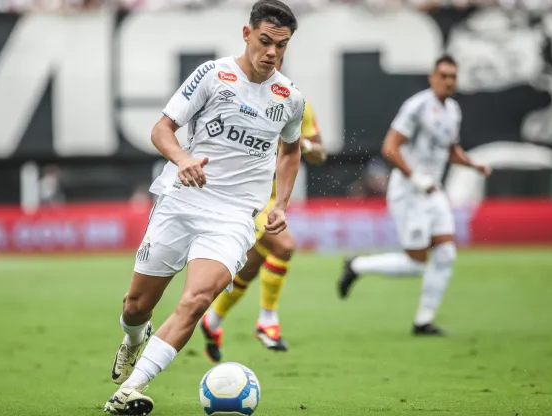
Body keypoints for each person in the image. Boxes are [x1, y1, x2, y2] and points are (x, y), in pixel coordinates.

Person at [103, 1, 304, 414]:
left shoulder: (289, 97)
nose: (271, 53)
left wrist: (281, 203)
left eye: (280, 47)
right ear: (247, 35)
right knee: (136, 306)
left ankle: (129, 391)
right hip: (182, 200)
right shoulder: (213, 76)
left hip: (232, 217)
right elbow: (162, 129)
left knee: (196, 300)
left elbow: (291, 149)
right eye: (265, 41)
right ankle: (134, 339)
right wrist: (183, 159)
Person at [338, 55, 491, 336]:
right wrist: (415, 176)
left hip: (433, 191)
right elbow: (390, 148)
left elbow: (450, 150)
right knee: (416, 264)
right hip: (408, 190)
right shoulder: (417, 106)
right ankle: (357, 265)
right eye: (443, 75)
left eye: (453, 76)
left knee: (445, 253)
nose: (448, 81)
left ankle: (424, 321)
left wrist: (472, 164)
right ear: (432, 77)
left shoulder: (453, 110)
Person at [200, 56, 326, 361]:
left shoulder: (296, 102)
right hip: (242, 195)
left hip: (272, 199)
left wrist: (302, 146)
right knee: (284, 246)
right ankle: (267, 321)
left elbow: (320, 154)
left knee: (253, 264)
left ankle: (213, 320)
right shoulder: (234, 94)